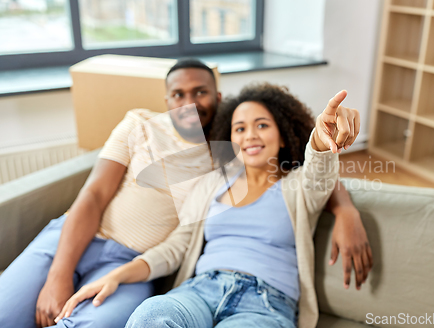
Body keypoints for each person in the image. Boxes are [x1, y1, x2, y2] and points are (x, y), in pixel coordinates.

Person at [0, 59, 370, 328]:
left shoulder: (260, 171)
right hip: (180, 281)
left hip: (260, 299)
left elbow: (318, 175)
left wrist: (324, 147)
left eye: (262, 125)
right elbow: (105, 201)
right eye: (240, 128)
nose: (250, 135)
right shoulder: (194, 162)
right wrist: (86, 275)